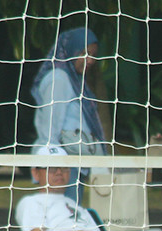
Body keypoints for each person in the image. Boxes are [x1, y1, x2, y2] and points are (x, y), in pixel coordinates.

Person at [31, 28, 107, 202]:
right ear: (71, 51)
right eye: (84, 54)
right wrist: (53, 168)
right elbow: (50, 128)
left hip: (73, 163)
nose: (90, 60)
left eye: (93, 55)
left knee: (72, 210)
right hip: (61, 166)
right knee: (64, 212)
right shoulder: (59, 78)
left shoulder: (75, 80)